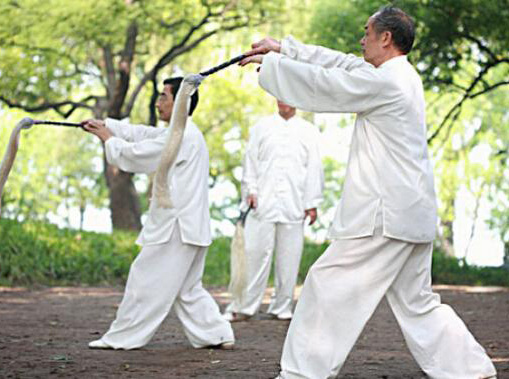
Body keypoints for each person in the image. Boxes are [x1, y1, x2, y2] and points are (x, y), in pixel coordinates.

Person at [239, 6, 497, 379]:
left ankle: (301, 374)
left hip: (385, 215)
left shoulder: (387, 82)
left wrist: (276, 69)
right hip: (409, 213)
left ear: (385, 38)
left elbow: (329, 87)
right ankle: (471, 370)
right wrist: (285, 49)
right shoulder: (397, 75)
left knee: (326, 282)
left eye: (367, 33)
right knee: (418, 303)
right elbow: (342, 65)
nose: (362, 40)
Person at [83, 77, 235, 351]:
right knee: (188, 289)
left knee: (144, 278)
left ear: (181, 103)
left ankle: (122, 337)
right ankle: (217, 334)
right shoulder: (183, 132)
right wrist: (109, 126)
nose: (158, 102)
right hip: (189, 226)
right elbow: (144, 134)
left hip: (176, 227)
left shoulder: (182, 136)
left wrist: (108, 140)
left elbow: (136, 155)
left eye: (164, 96)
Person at [224, 99, 324, 322]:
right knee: (254, 254)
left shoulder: (308, 131)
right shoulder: (261, 127)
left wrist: (312, 203)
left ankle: (283, 306)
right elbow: (250, 161)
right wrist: (250, 189)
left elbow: (314, 169)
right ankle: (244, 306)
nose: (283, 101)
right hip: (262, 202)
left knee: (289, 258)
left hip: (294, 203)